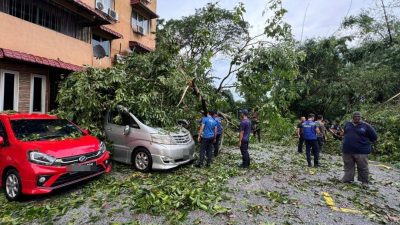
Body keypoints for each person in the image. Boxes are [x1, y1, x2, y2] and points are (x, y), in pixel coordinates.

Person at [341, 111, 378, 184]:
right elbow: (345, 133)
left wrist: (363, 142)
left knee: (363, 167)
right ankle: (347, 179)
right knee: (348, 166)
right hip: (347, 150)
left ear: (361, 118)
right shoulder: (348, 124)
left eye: (358, 116)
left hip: (361, 151)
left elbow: (374, 137)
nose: (357, 118)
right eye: (355, 116)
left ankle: (364, 182)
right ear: (352, 117)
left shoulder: (366, 126)